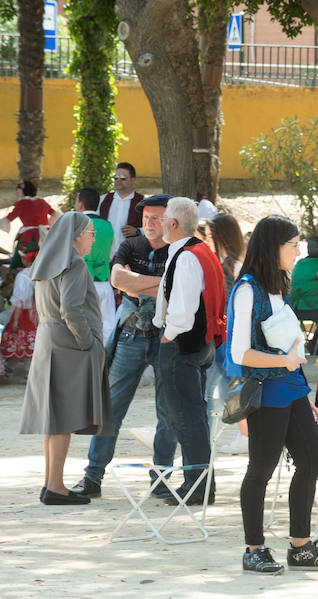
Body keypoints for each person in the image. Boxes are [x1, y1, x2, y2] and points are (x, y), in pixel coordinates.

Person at [227, 215, 318, 574]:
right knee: (261, 467)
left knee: (311, 459)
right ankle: (254, 548)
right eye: (293, 245)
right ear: (273, 246)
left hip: (291, 389)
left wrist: (303, 392)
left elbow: (289, 349)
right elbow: (239, 353)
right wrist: (284, 360)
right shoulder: (247, 289)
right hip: (265, 392)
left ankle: (300, 546)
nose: (298, 251)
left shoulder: (280, 285)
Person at [71, 194, 177, 499]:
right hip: (131, 334)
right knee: (111, 407)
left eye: (156, 218)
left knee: (167, 411)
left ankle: (161, 478)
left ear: (171, 220)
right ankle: (93, 477)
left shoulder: (178, 250)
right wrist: (158, 284)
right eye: (145, 219)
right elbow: (117, 279)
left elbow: (173, 288)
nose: (150, 224)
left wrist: (139, 282)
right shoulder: (132, 245)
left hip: (167, 336)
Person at [20, 212, 112, 505]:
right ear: (74, 236)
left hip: (49, 341)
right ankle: (56, 487)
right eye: (90, 232)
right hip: (68, 345)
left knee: (54, 420)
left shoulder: (48, 262)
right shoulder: (72, 263)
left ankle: (51, 484)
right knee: (64, 420)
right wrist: (89, 343)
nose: (93, 237)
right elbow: (72, 309)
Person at [153, 196, 227, 506]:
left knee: (187, 416)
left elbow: (182, 310)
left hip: (184, 343)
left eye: (162, 219)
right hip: (202, 342)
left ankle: (196, 485)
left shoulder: (185, 256)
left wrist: (168, 335)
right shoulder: (201, 251)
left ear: (173, 223)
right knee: (193, 415)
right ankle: (200, 484)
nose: (157, 223)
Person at [204, 212, 249, 455]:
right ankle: (246, 433)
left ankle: (247, 434)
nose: (208, 239)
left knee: (227, 385)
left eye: (211, 235)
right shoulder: (230, 261)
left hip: (227, 334)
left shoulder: (231, 263)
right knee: (227, 385)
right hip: (225, 333)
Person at [75, 188, 116, 341]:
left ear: (80, 204)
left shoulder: (76, 224)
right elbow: (111, 253)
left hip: (80, 281)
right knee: (107, 326)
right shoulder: (108, 225)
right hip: (104, 281)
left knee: (81, 326)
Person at [1, 180, 60, 268]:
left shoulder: (22, 203)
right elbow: (55, 214)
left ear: (23, 191)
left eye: (19, 189)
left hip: (29, 236)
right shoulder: (42, 201)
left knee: (21, 260)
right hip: (46, 235)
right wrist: (48, 225)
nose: (17, 191)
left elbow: (10, 217)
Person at [290, 235, 318, 356]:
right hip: (314, 310)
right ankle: (317, 348)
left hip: (295, 309)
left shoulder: (301, 263)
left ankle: (314, 343)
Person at [0, 250, 39, 371]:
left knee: (18, 341)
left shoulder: (23, 276)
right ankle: (15, 369)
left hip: (22, 314)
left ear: (26, 260)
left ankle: (16, 370)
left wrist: (16, 320)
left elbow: (20, 301)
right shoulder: (42, 273)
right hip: (37, 314)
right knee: (31, 344)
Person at [98, 162, 144, 258]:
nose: (118, 180)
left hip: (131, 255)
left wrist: (138, 231)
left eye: (123, 178)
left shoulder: (142, 202)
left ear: (133, 180)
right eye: (116, 177)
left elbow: (154, 227)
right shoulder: (103, 200)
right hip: (104, 255)